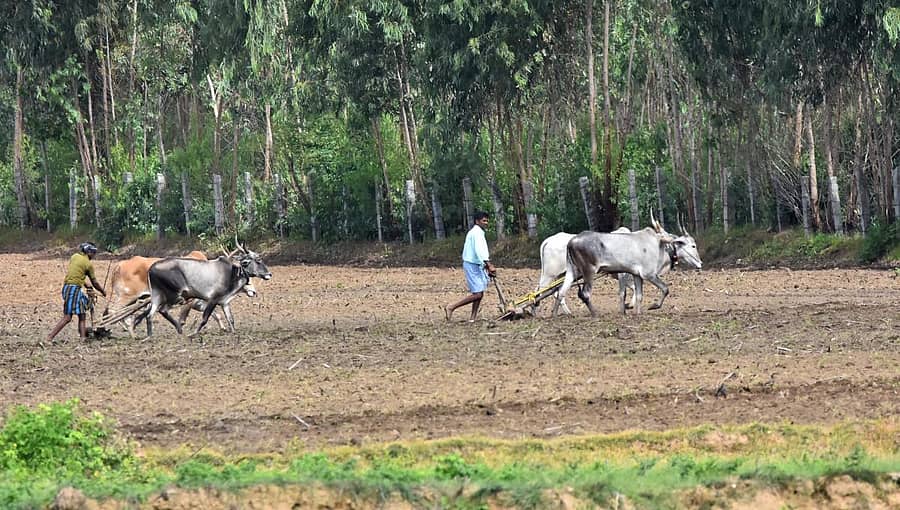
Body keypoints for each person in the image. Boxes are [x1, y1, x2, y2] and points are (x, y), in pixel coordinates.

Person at [46, 242, 106, 343]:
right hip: (73, 289)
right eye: (94, 253)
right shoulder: (88, 264)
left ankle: (83, 338)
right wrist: (103, 291)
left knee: (82, 313)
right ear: (89, 252)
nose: (94, 255)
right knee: (68, 317)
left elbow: (76, 273)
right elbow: (94, 282)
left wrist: (86, 285)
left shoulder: (75, 257)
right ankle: (49, 338)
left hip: (68, 287)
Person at [445, 211, 496, 322]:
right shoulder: (476, 233)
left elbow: (481, 252)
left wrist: (486, 265)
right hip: (472, 265)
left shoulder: (479, 232)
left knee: (479, 293)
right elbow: (480, 251)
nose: (486, 223)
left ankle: (472, 318)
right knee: (478, 294)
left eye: (487, 221)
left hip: (477, 264)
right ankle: (451, 307)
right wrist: (489, 265)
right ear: (477, 221)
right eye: (484, 221)